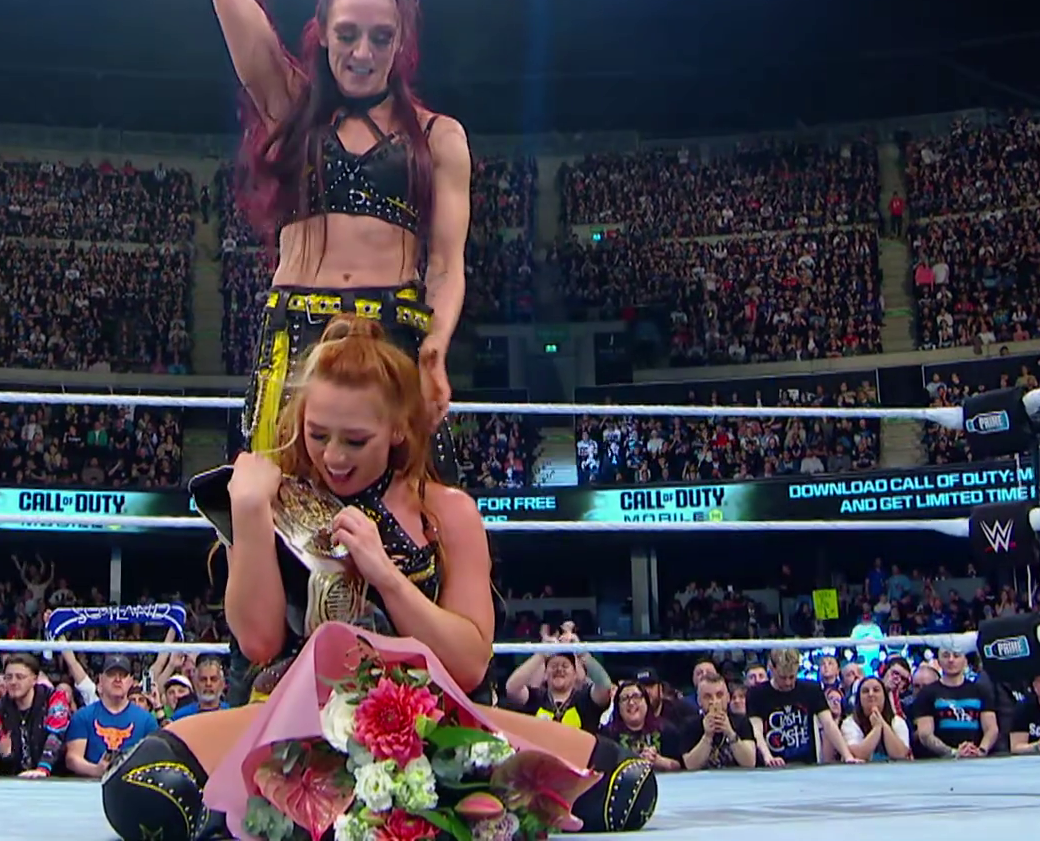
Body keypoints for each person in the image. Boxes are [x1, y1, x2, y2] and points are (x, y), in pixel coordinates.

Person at [103, 320, 656, 841]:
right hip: (293, 729)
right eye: (318, 434)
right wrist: (248, 512)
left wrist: (387, 576)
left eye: (355, 440)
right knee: (145, 789)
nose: (333, 456)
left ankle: (364, 806)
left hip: (435, 726)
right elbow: (259, 643)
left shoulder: (448, 513)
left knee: (624, 787)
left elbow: (468, 662)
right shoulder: (276, 497)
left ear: (396, 430)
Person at [208, 0, 472, 482]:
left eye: (381, 37)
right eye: (348, 34)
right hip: (296, 328)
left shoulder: (439, 136)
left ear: (400, 43)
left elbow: (445, 265)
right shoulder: (291, 105)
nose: (362, 53)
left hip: (394, 331)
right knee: (276, 501)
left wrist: (435, 348)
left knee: (409, 509)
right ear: (323, 33)